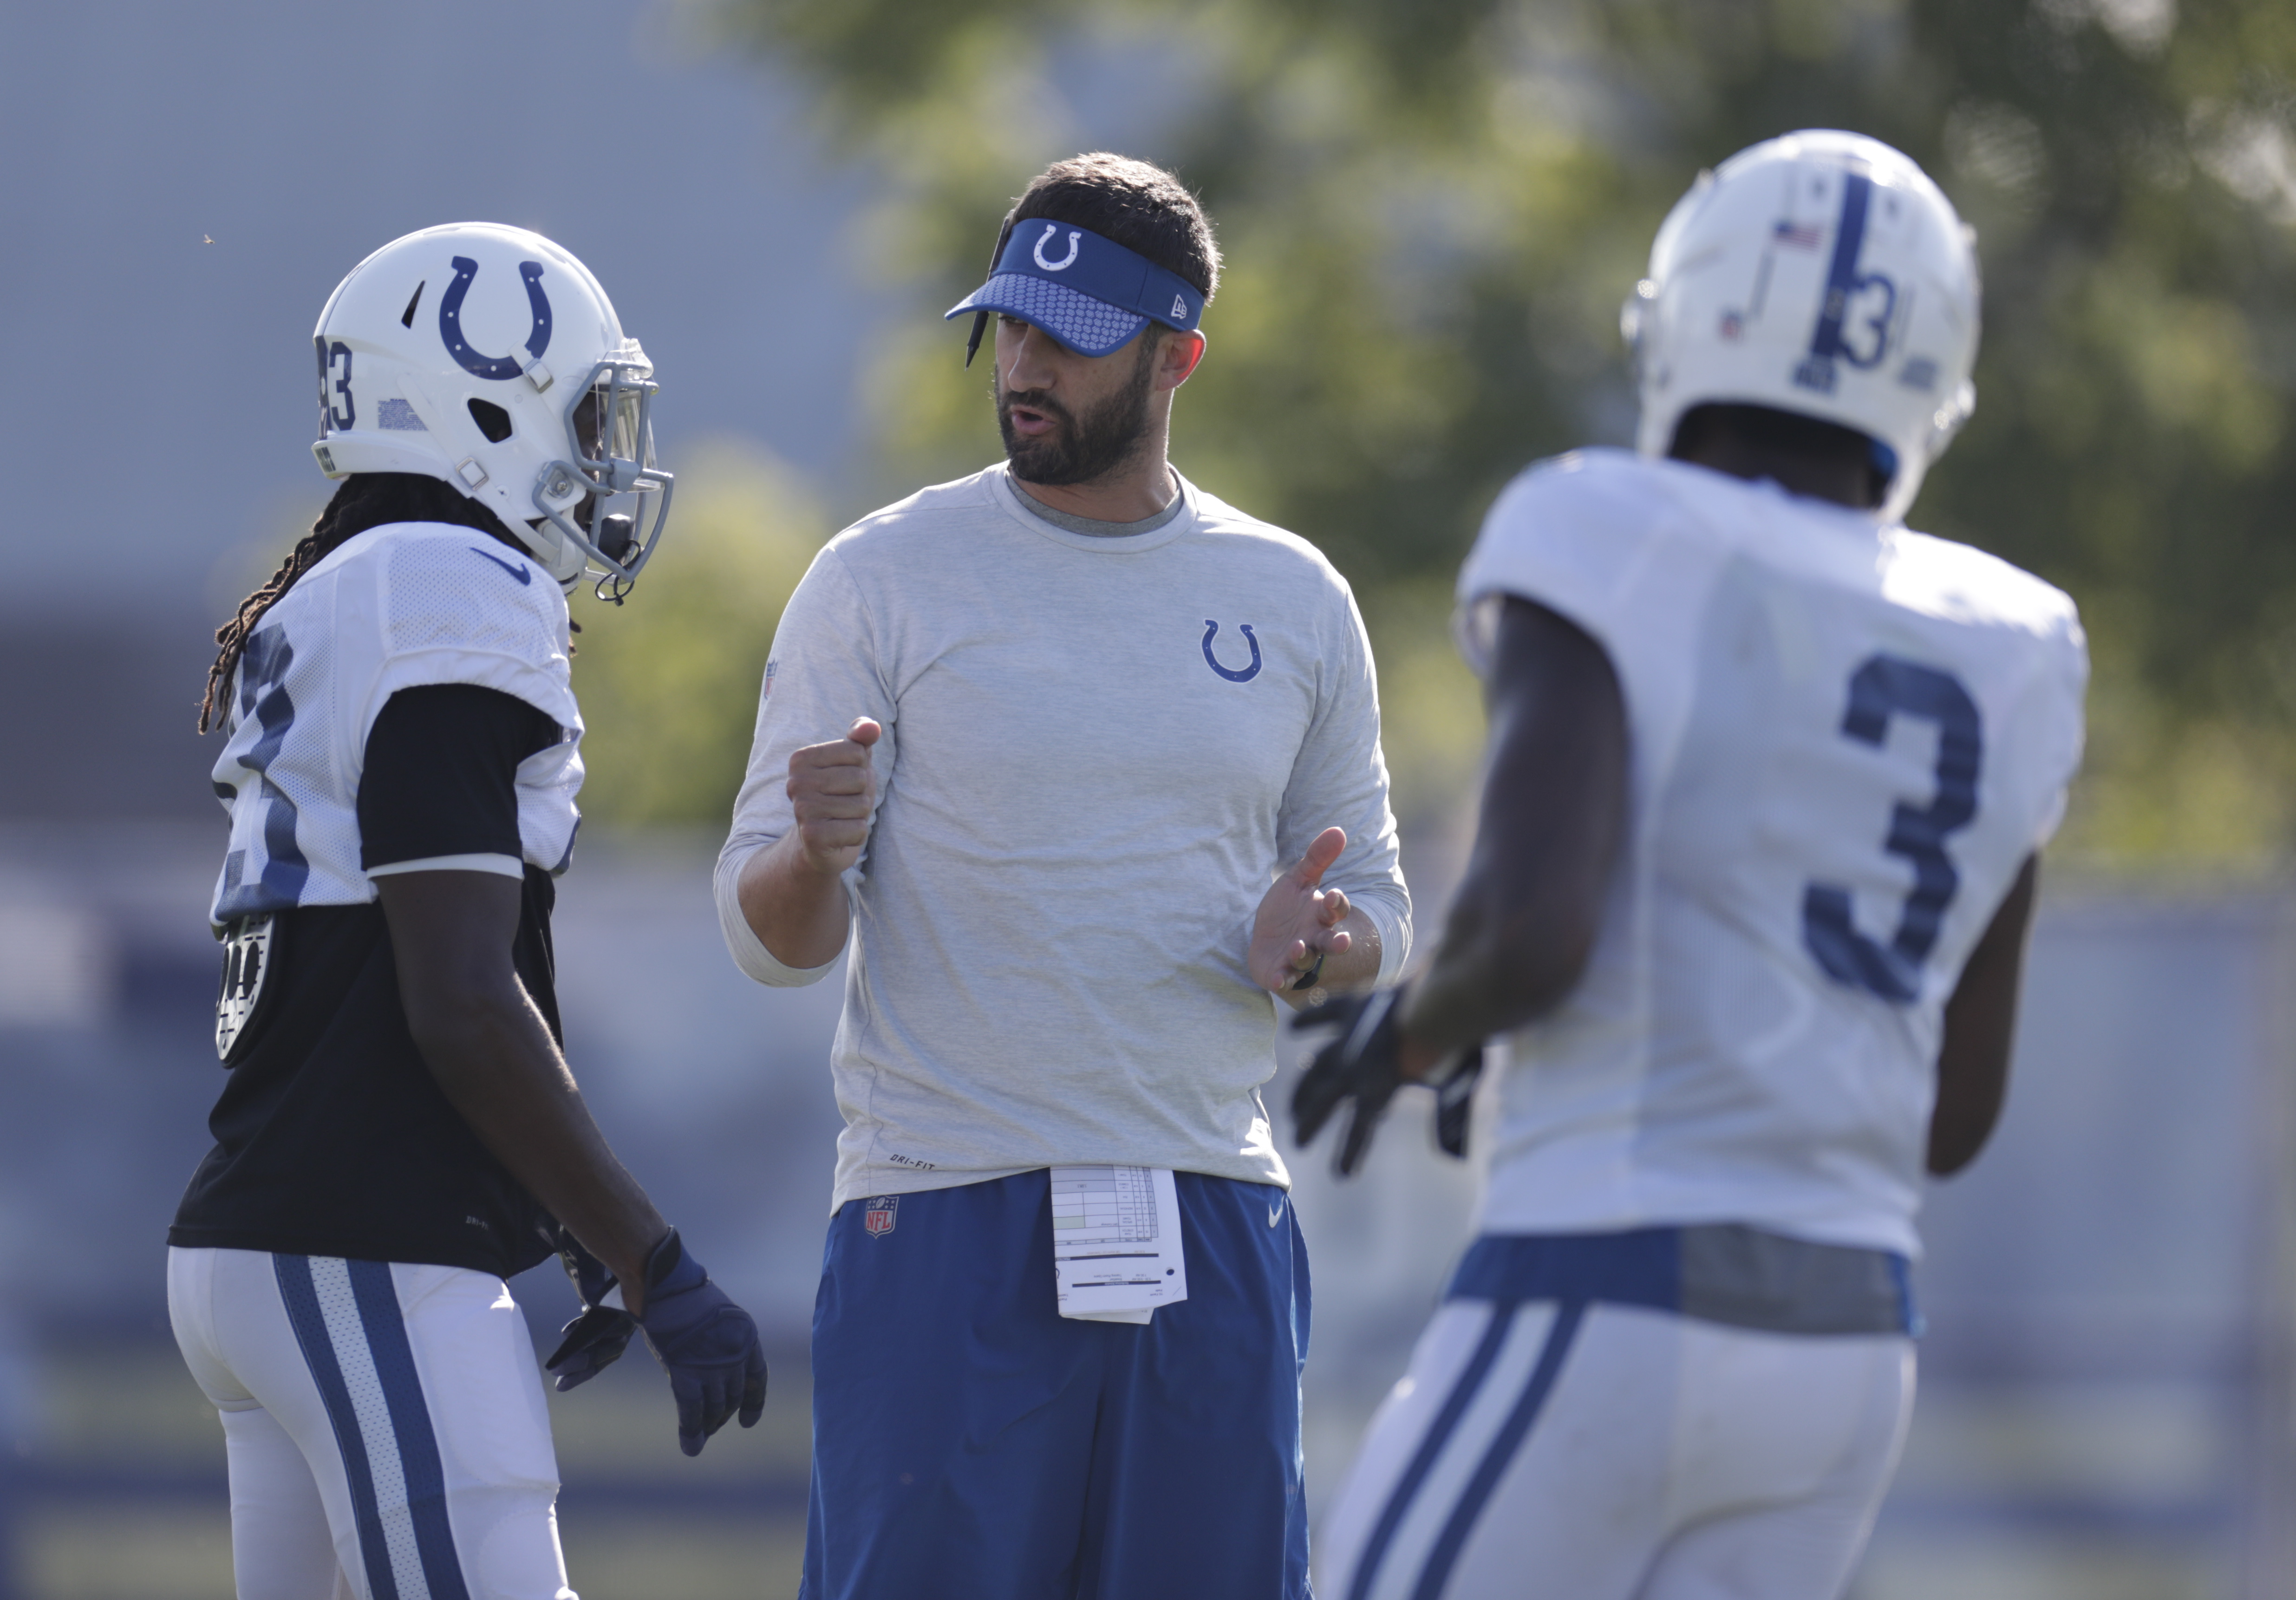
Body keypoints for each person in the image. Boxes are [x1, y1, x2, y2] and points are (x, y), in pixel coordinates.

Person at [1293, 131, 2088, 1600]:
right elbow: (1951, 1115)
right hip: (1849, 1345)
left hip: (1612, 1282)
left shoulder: (1607, 526)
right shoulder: (2019, 642)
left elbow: (1531, 935)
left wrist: (1410, 1033)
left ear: (1691, 313)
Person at [716, 152, 1410, 1600]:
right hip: (943, 1213)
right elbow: (772, 940)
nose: (1023, 368)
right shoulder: (881, 576)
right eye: (1010, 328)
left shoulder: (1292, 596)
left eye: (1070, 341)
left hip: (1212, 1211)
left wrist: (1317, 945)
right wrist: (816, 849)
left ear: (1178, 358)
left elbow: (1379, 921)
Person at [168, 221, 767, 1600]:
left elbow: (384, 954)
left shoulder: (349, 583)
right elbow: (455, 994)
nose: (610, 453)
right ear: (481, 398)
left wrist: (551, 1207)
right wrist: (647, 1253)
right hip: (361, 1240)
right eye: (588, 409)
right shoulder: (449, 582)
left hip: (281, 1235)